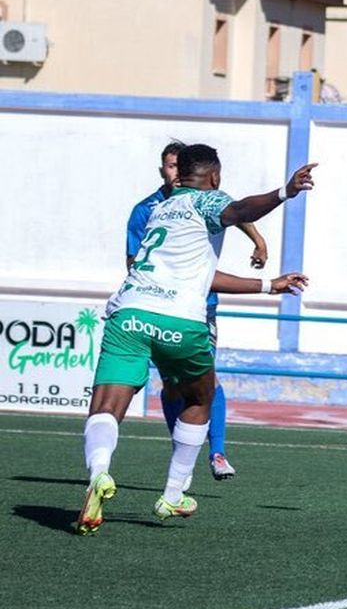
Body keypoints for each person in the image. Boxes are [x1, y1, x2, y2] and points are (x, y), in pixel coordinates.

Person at [77, 145, 315, 535]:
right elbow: (240, 211)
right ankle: (173, 494)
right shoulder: (208, 201)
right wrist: (284, 192)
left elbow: (204, 274)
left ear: (177, 173)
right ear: (214, 177)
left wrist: (269, 285)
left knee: (106, 404)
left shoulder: (159, 210)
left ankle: (98, 474)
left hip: (128, 313)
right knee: (200, 397)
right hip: (179, 321)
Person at [126, 139, 271, 481]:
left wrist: (258, 240)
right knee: (174, 386)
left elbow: (233, 211)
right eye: (170, 166)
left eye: (181, 165)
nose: (176, 172)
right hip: (160, 306)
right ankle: (182, 452)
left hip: (200, 308)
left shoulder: (206, 199)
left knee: (207, 379)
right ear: (162, 169)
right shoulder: (147, 209)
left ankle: (217, 452)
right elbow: (134, 262)